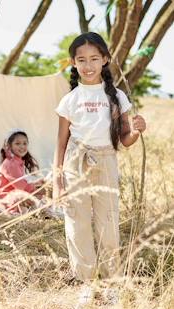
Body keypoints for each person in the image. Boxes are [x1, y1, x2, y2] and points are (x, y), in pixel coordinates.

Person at [53, 32, 146, 284]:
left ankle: (111, 282)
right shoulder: (69, 100)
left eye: (94, 59)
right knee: (77, 223)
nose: (88, 65)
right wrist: (57, 183)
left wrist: (137, 130)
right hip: (75, 161)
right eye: (81, 60)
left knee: (108, 222)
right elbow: (60, 145)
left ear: (105, 59)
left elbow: (125, 140)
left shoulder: (116, 97)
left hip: (106, 160)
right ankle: (85, 283)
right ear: (73, 62)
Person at [0, 128, 44, 214]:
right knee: (35, 196)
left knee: (38, 196)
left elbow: (22, 184)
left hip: (10, 195)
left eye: (25, 143)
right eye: (17, 143)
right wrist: (39, 188)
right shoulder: (10, 163)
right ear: (9, 146)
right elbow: (21, 187)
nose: (22, 146)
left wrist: (37, 184)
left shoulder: (18, 162)